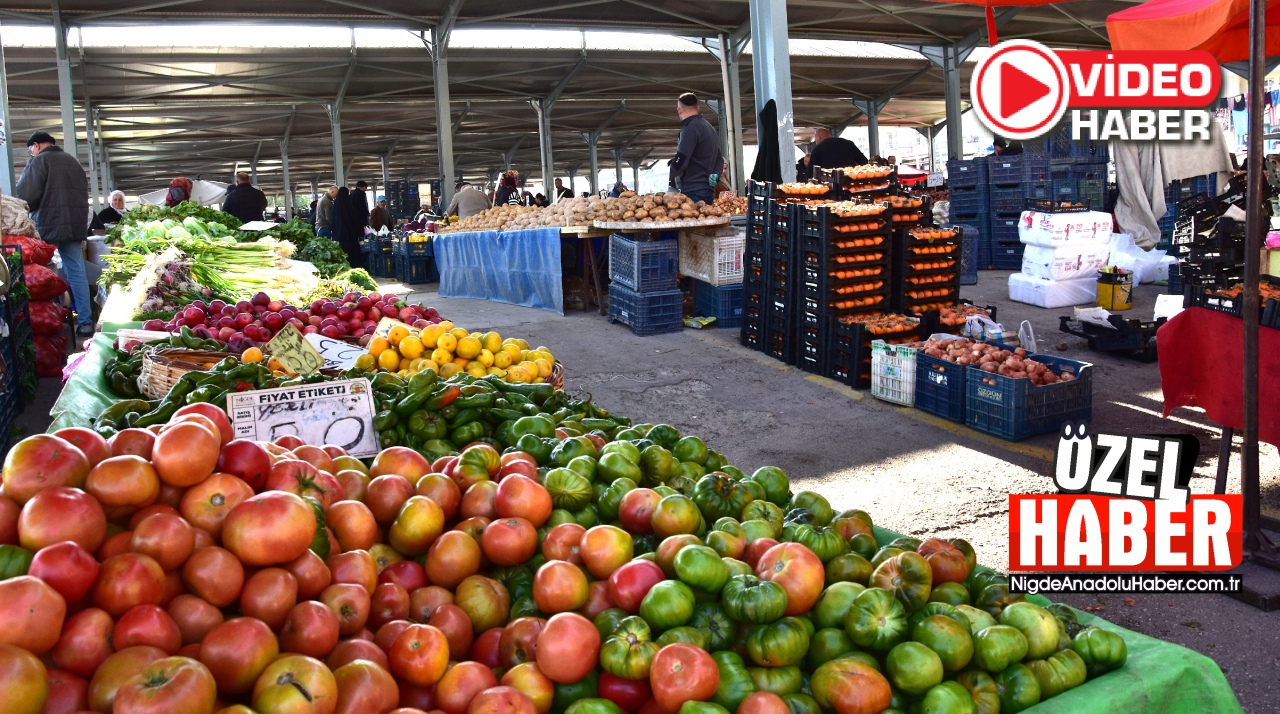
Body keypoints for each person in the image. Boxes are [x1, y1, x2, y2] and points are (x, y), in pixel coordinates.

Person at [13, 131, 94, 337]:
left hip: (46, 225)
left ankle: (48, 320)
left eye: (30, 149)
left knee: (39, 275)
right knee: (77, 273)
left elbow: (25, 196)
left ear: (37, 145)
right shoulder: (73, 162)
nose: (31, 152)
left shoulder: (39, 162)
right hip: (73, 227)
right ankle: (85, 322)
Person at [668, 92, 721, 204]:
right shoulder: (710, 128)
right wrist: (716, 174)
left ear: (679, 110)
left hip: (692, 191)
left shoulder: (689, 128)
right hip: (707, 191)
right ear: (698, 108)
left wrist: (671, 182)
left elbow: (681, 158)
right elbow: (719, 158)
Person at [799, 128, 868, 179]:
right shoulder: (848, 143)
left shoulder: (817, 149)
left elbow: (811, 173)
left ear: (818, 137)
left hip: (829, 187)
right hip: (850, 182)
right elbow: (864, 162)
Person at [331, 186, 363, 268]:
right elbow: (355, 220)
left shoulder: (335, 205)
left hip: (339, 236)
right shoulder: (349, 206)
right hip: (350, 237)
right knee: (351, 254)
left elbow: (333, 220)